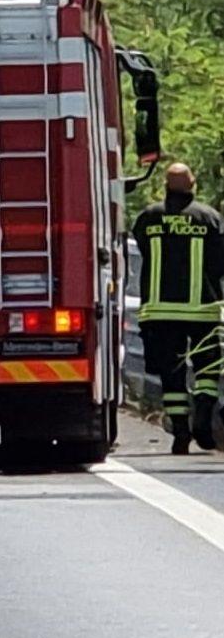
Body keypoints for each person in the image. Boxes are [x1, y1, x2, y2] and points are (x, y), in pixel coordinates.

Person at [134, 163, 224, 454]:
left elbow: (142, 248)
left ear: (165, 186)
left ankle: (181, 432)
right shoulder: (210, 218)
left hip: (160, 313)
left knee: (171, 374)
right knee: (208, 369)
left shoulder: (148, 218)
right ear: (193, 184)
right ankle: (203, 420)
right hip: (203, 311)